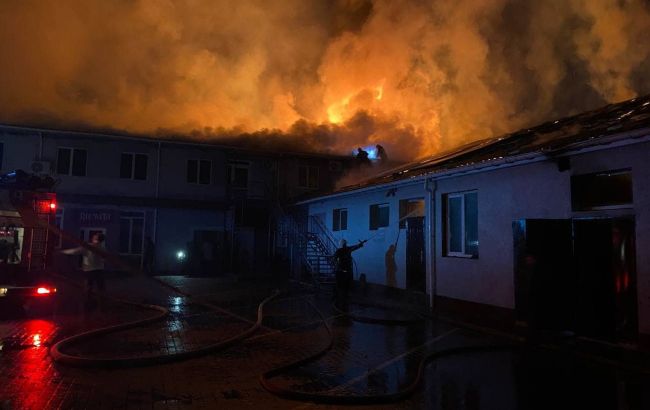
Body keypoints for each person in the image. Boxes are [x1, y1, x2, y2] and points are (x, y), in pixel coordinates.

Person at [61, 232, 106, 311]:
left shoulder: (89, 247)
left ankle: (88, 302)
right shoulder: (102, 248)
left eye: (94, 236)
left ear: (95, 238)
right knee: (100, 286)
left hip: (89, 270)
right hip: (99, 270)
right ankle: (102, 302)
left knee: (88, 287)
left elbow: (75, 251)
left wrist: (63, 252)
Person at [333, 238, 366, 311]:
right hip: (342, 273)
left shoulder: (346, 249)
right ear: (343, 244)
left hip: (346, 272)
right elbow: (334, 260)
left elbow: (355, 247)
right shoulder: (340, 251)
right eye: (344, 244)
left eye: (345, 244)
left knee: (345, 288)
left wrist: (360, 244)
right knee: (342, 288)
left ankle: (344, 303)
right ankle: (341, 303)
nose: (345, 245)